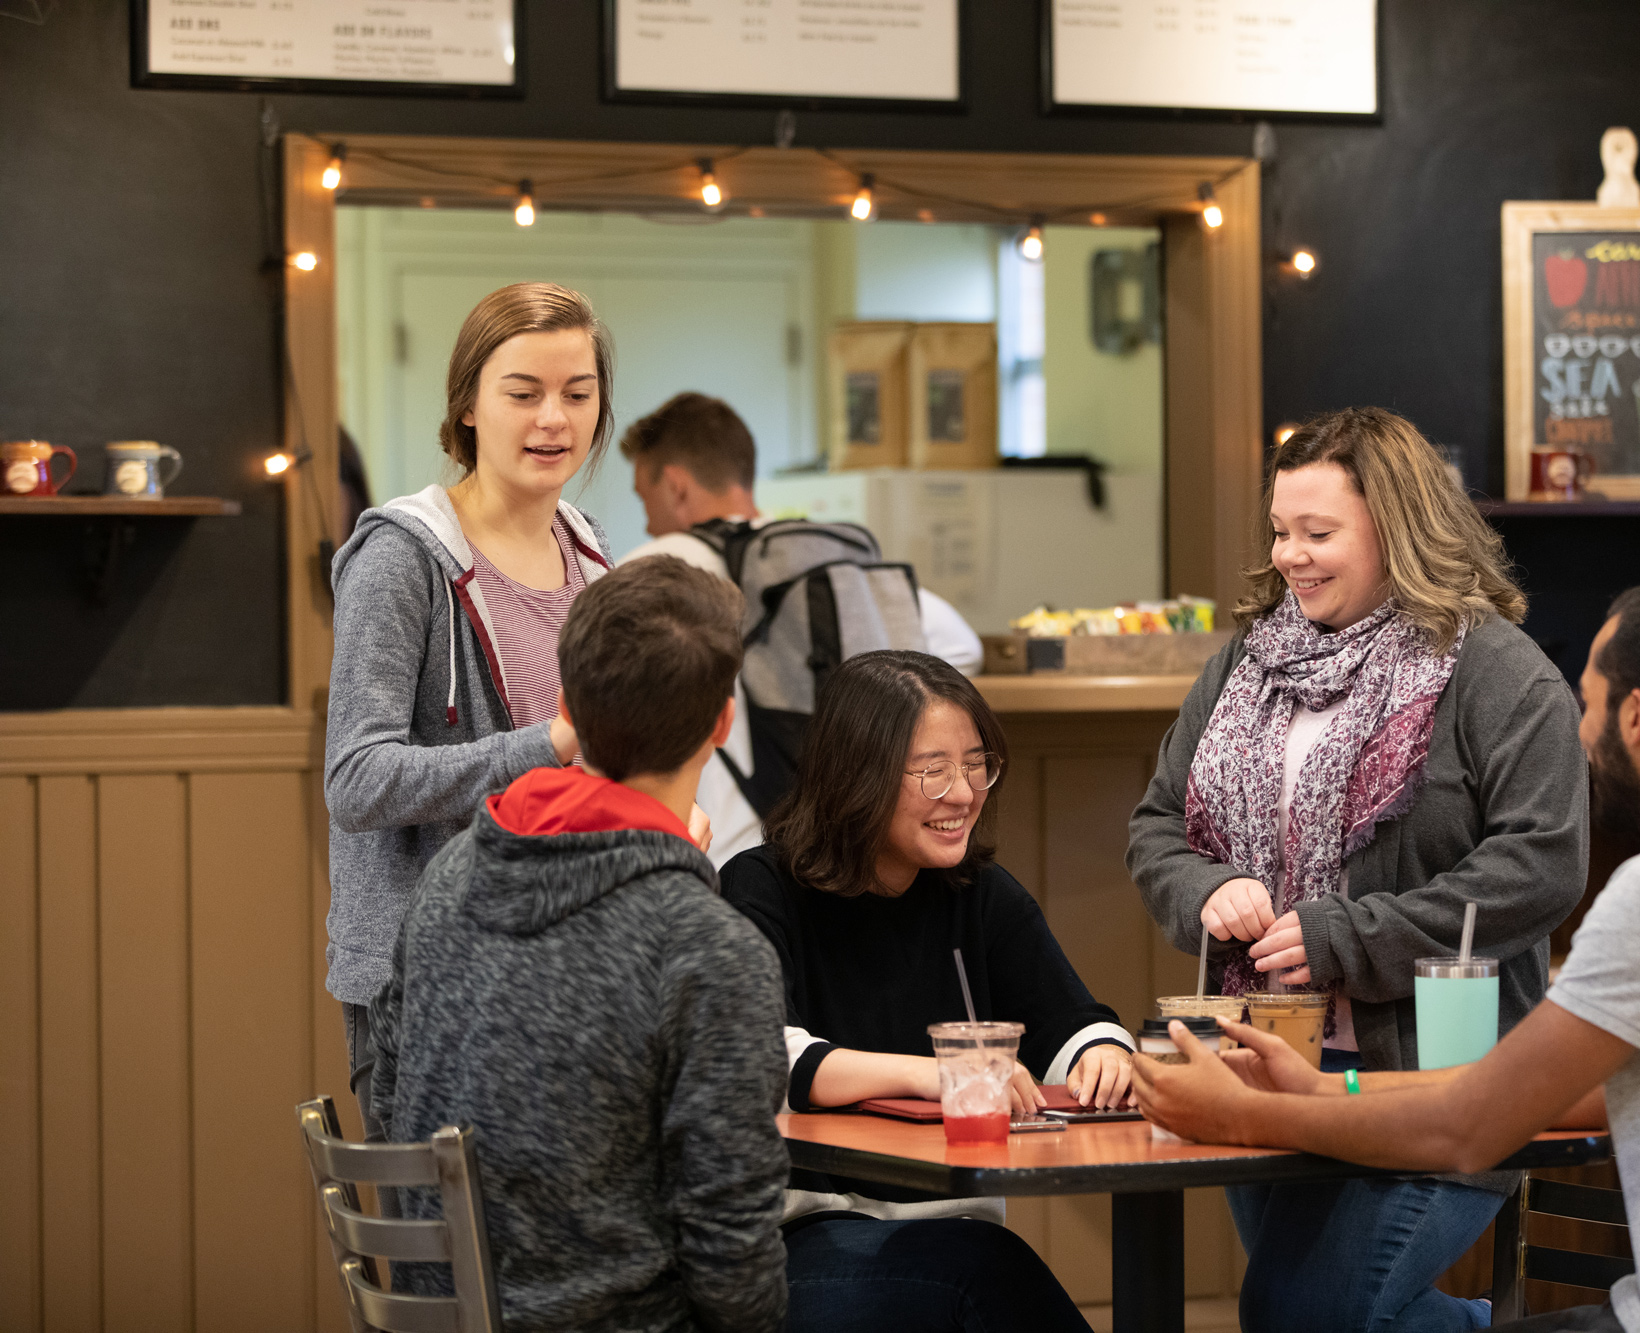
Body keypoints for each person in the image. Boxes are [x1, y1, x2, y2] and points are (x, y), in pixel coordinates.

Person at [1132, 575, 1640, 1333]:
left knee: (1304, 1316)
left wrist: (1246, 1112)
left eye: (1590, 703)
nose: (1576, 730)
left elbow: (1470, 1128)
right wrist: (1317, 1089)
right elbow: (1544, 1093)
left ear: (1636, 716)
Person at [1126, 407, 1590, 1331]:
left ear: (1398, 528)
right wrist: (1204, 888)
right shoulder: (1244, 665)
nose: (1289, 555)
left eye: (1318, 532)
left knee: (1311, 1311)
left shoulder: (1498, 671)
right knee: (1292, 1314)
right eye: (1279, 531)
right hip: (1266, 1056)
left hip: (1446, 1079)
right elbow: (1157, 828)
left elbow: (1544, 862)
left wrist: (1352, 932)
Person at [368, 555, 790, 1333]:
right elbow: (733, 1250)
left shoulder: (453, 871)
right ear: (721, 721)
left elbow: (392, 1103)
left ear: (567, 706)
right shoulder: (708, 946)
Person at [719, 650, 1127, 1333]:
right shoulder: (762, 887)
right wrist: (938, 1074)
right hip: (795, 1241)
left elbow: (1075, 1022)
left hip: (950, 1221)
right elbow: (769, 1057)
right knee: (980, 1271)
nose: (963, 792)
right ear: (858, 773)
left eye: (976, 764)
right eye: (933, 770)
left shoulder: (977, 895)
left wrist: (1102, 1053)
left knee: (977, 1262)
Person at [326, 282, 620, 1141]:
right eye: (522, 393)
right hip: (428, 982)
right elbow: (357, 780)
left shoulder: (592, 554)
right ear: (467, 407)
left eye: (577, 393)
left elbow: (595, 765)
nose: (553, 419)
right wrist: (550, 744)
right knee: (457, 1271)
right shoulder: (399, 559)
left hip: (569, 970)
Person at [618, 392, 983, 868]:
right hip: (847, 853)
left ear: (676, 486)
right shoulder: (819, 559)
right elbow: (961, 646)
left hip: (723, 851)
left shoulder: (654, 569)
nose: (647, 521)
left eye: (644, 498)